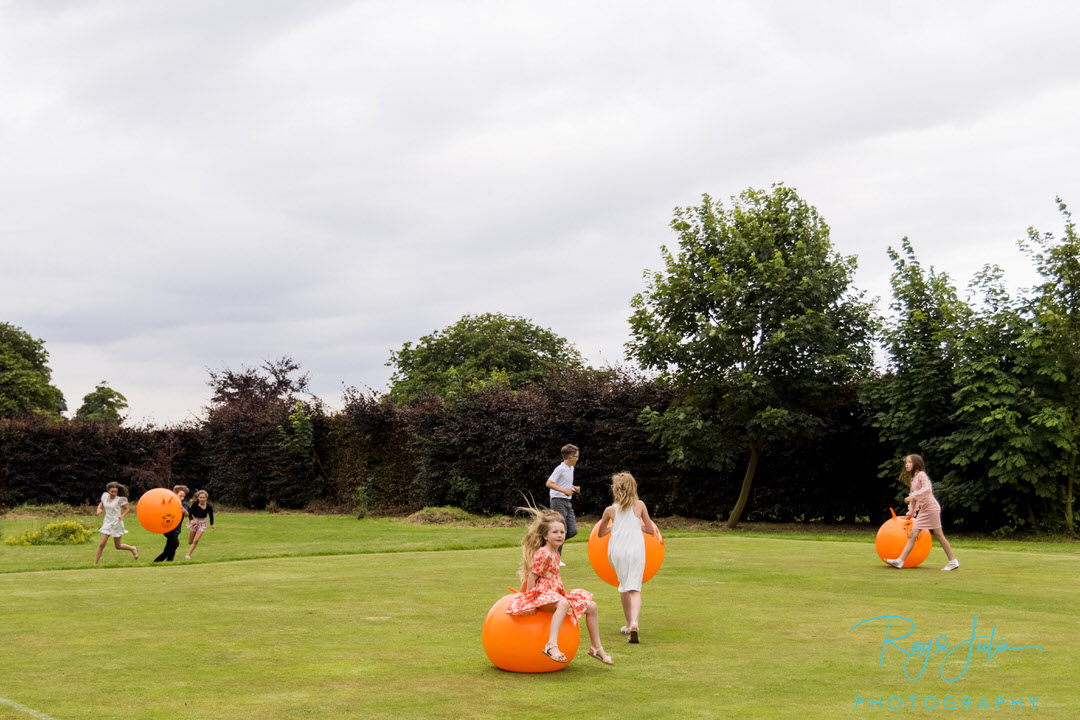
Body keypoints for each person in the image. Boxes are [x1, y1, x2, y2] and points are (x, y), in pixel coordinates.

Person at [505, 506, 613, 665]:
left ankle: (596, 647)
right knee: (562, 604)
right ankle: (551, 646)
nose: (560, 535)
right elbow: (532, 576)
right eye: (555, 532)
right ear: (545, 536)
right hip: (542, 597)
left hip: (555, 595)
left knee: (592, 606)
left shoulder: (555, 553)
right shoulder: (543, 552)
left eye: (562, 532)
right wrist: (528, 599)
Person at [596, 472, 661, 643]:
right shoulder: (639, 505)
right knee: (635, 588)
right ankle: (634, 623)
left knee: (624, 586)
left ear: (615, 489)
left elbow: (601, 533)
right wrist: (636, 526)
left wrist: (615, 528)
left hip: (617, 551)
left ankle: (627, 624)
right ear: (633, 487)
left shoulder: (610, 510)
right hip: (636, 550)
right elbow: (650, 529)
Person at [886, 454, 960, 571]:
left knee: (938, 535)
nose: (907, 464)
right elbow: (914, 499)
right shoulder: (913, 479)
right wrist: (911, 513)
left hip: (931, 508)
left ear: (916, 464)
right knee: (912, 535)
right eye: (906, 462)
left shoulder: (921, 475)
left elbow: (926, 489)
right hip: (924, 510)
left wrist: (912, 496)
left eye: (909, 462)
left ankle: (953, 561)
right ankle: (899, 561)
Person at [545, 444, 580, 566]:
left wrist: (572, 487)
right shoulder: (560, 468)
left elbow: (564, 484)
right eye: (576, 456)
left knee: (572, 531)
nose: (577, 459)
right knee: (561, 529)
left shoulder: (571, 469)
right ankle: (555, 558)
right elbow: (549, 483)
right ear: (570, 456)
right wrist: (564, 491)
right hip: (557, 500)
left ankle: (549, 548)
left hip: (567, 501)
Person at [93, 482, 138, 565]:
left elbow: (127, 509)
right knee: (102, 544)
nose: (114, 493)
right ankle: (94, 564)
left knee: (118, 546)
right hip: (107, 522)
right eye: (112, 492)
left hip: (116, 523)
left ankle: (132, 548)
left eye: (115, 492)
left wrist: (122, 516)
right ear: (108, 491)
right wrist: (99, 509)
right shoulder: (104, 496)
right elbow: (101, 504)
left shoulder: (119, 500)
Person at [153, 485, 190, 563]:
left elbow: (187, 515)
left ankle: (159, 561)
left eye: (183, 496)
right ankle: (169, 560)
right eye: (180, 496)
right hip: (167, 528)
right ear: (174, 494)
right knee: (175, 543)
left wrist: (184, 511)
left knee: (169, 547)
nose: (182, 498)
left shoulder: (183, 505)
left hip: (176, 529)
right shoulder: (169, 503)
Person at [185, 490, 215, 560]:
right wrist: (191, 520)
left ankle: (188, 555)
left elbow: (211, 516)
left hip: (203, 523)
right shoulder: (195, 504)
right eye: (200, 497)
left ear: (206, 498)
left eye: (203, 498)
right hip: (195, 521)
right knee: (190, 542)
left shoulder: (209, 507)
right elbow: (190, 513)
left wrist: (212, 524)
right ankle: (192, 545)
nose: (202, 499)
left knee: (196, 540)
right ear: (198, 498)